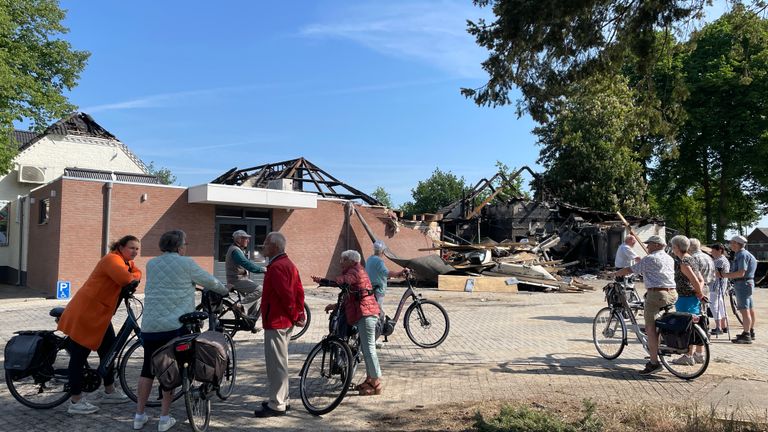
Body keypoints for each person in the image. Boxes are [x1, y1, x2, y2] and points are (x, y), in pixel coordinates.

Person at [133, 230, 228, 431]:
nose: (185, 247)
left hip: (150, 326)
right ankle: (164, 418)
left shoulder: (152, 264)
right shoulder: (187, 263)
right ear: (179, 246)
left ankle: (139, 415)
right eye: (185, 244)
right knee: (173, 368)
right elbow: (209, 281)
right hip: (176, 326)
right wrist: (225, 289)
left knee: (147, 369)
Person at [57, 235, 142, 415]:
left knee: (109, 351)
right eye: (131, 248)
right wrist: (134, 276)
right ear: (120, 247)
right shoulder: (112, 260)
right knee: (79, 357)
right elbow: (128, 280)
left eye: (137, 249)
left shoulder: (124, 262)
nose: (135, 252)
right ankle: (75, 401)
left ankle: (109, 390)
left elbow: (137, 273)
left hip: (100, 316)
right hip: (87, 314)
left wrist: (135, 274)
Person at [313, 250, 383, 396]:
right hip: (363, 313)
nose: (340, 262)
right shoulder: (356, 270)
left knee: (369, 349)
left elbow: (345, 281)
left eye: (343, 259)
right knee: (365, 349)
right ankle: (370, 379)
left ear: (351, 261)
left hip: (366, 314)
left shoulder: (355, 271)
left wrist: (325, 281)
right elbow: (352, 296)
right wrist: (335, 305)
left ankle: (376, 383)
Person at [253, 232, 305, 418]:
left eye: (266, 243)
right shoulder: (289, 264)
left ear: (275, 246)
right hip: (283, 320)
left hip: (277, 320)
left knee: (276, 364)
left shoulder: (276, 267)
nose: (263, 246)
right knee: (281, 362)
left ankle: (277, 404)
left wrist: (295, 313)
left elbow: (286, 295)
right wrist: (299, 314)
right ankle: (283, 399)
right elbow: (299, 291)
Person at [613, 235, 677, 375]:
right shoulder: (669, 258)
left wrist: (617, 273)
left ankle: (654, 363)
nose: (646, 247)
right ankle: (659, 346)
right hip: (672, 293)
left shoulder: (651, 258)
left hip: (657, 294)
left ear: (656, 245)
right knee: (661, 321)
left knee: (650, 327)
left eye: (649, 244)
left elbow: (631, 269)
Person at [669, 235, 708, 366]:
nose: (672, 249)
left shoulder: (684, 263)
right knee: (696, 323)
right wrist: (698, 292)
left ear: (676, 247)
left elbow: (695, 280)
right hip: (692, 297)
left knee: (687, 327)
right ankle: (698, 354)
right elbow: (701, 280)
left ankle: (688, 355)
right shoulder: (692, 259)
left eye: (673, 247)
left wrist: (699, 293)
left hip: (685, 298)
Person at [720, 235, 757, 344]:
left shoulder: (741, 255)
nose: (730, 245)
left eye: (731, 243)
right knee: (750, 309)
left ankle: (746, 334)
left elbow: (741, 272)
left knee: (744, 311)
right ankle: (750, 331)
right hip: (747, 283)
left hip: (742, 283)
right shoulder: (748, 254)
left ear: (736, 243)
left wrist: (723, 275)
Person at [226, 230, 266, 317]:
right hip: (236, 280)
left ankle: (251, 321)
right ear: (239, 239)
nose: (248, 240)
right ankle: (240, 305)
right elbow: (246, 264)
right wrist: (262, 269)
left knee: (253, 298)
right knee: (260, 290)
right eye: (245, 238)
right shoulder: (235, 251)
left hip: (241, 279)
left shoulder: (238, 249)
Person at [365, 240, 407, 310]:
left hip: (370, 288)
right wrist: (399, 273)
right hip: (378, 290)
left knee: (375, 309)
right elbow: (387, 273)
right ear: (383, 251)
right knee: (378, 310)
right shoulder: (379, 261)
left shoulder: (369, 259)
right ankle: (380, 321)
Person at [709, 243, 730, 335]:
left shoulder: (720, 261)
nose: (711, 252)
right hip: (720, 286)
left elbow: (718, 273)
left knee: (714, 306)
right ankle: (724, 326)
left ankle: (719, 327)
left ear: (719, 250)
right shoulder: (722, 259)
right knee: (721, 305)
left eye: (713, 251)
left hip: (716, 286)